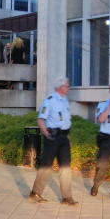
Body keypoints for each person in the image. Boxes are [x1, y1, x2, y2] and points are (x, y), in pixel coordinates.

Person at [28, 76, 78, 205]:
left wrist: (68, 138)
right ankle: (35, 193)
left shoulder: (65, 101)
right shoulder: (49, 100)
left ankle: (67, 197)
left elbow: (66, 122)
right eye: (67, 85)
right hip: (52, 137)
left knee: (65, 167)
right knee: (46, 166)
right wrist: (46, 134)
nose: (68, 87)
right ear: (60, 87)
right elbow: (41, 120)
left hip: (64, 138)